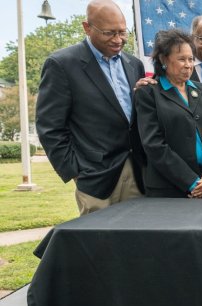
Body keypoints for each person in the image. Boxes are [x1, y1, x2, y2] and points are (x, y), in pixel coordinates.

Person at [36, 0, 146, 215]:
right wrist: (75, 171)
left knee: (136, 245)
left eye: (122, 32)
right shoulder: (61, 64)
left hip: (138, 174)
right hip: (95, 178)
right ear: (87, 27)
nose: (118, 40)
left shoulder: (135, 64)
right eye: (109, 33)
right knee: (98, 246)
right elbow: (50, 127)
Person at [135, 29, 202, 198]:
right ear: (164, 60)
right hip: (169, 189)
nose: (188, 65)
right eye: (181, 59)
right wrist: (191, 181)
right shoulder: (148, 93)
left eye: (191, 59)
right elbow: (153, 144)